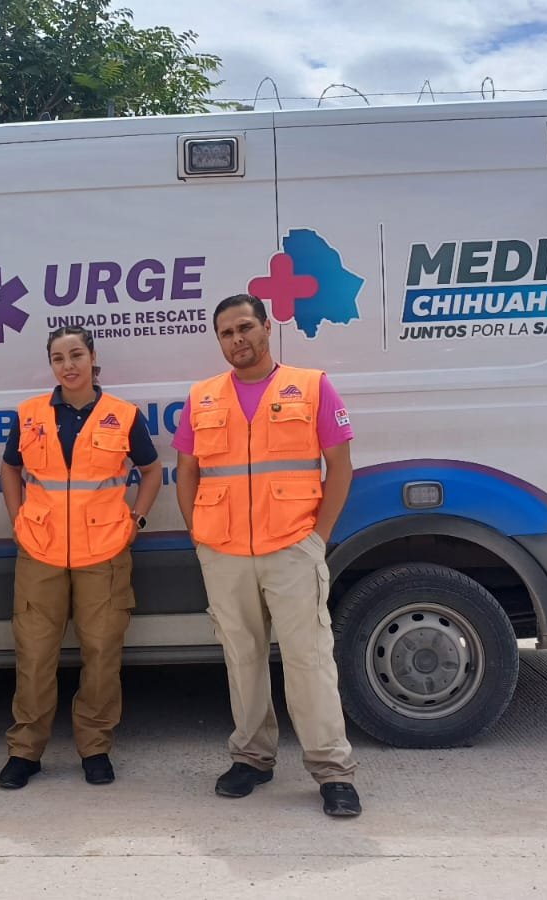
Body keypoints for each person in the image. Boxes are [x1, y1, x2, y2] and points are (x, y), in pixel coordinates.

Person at [172, 294, 363, 817]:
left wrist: (317, 538)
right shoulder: (202, 397)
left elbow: (340, 466)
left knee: (309, 661)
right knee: (243, 659)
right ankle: (252, 759)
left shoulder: (312, 386)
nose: (237, 339)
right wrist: (200, 536)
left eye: (245, 327)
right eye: (226, 333)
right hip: (224, 551)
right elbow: (186, 472)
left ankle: (332, 771)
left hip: (292, 548)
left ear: (267, 327)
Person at [0, 325, 163, 788]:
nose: (68, 366)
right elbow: (9, 468)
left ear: (92, 357)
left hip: (104, 552)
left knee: (102, 652)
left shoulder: (122, 415)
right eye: (58, 358)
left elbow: (151, 471)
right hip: (40, 550)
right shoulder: (30, 415)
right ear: (50, 364)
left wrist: (136, 520)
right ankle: (25, 750)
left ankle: (95, 747)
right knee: (34, 654)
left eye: (75, 355)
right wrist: (17, 519)